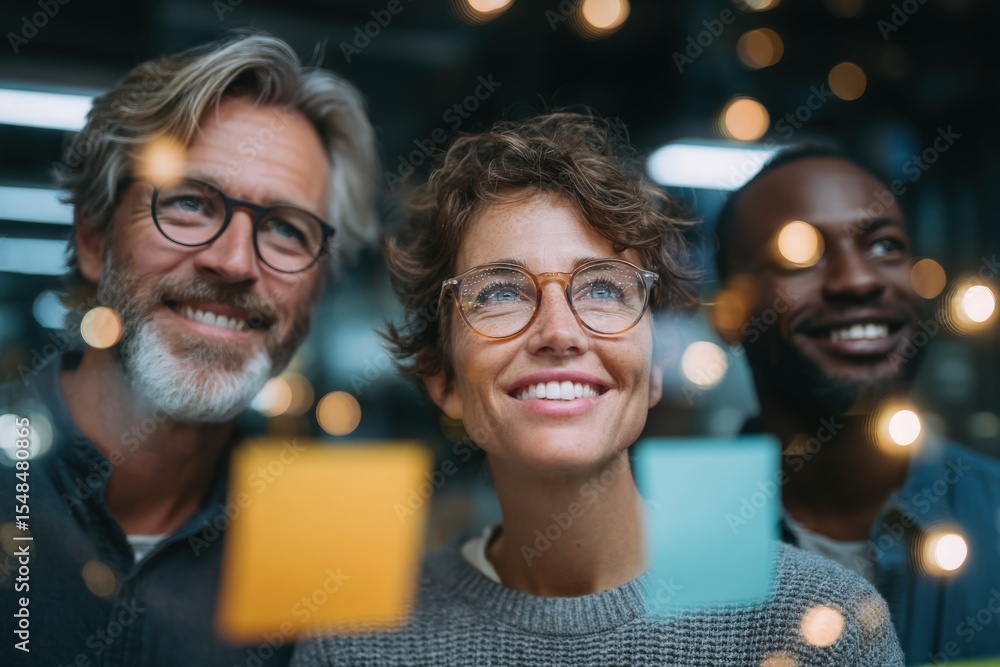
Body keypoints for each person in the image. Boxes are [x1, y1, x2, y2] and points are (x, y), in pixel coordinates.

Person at [292, 113, 904, 666]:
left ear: (652, 369)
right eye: (501, 291)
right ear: (443, 378)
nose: (559, 333)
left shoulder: (821, 624)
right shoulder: (357, 644)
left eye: (604, 288)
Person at [0, 31, 378, 666]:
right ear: (95, 239)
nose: (233, 262)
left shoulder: (324, 549)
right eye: (191, 203)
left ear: (317, 290)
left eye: (286, 229)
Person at [713, 145, 1000, 665]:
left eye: (885, 246)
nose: (858, 279)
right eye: (799, 255)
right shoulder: (668, 538)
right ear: (730, 312)